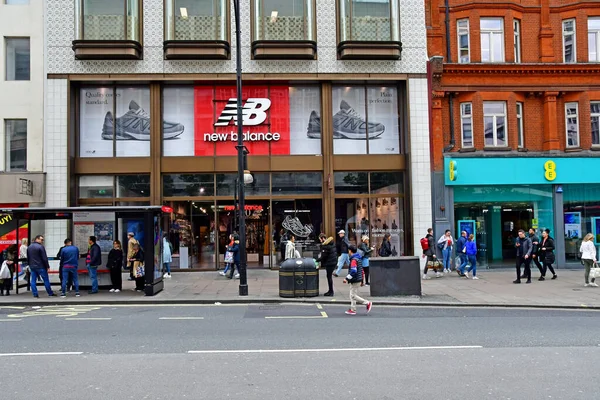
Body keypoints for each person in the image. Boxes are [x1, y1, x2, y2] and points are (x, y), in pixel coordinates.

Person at [343, 245, 372, 315]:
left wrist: (346, 278)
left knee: (353, 295)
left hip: (355, 279)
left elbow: (353, 271)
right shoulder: (358, 258)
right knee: (352, 294)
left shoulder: (353, 260)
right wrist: (362, 280)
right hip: (358, 279)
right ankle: (353, 309)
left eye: (348, 250)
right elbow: (361, 270)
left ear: (350, 251)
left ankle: (367, 303)